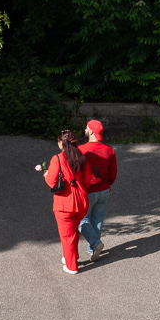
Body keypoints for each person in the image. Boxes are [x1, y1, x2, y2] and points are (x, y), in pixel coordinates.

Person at [38, 130, 91, 275]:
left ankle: (71, 266)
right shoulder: (82, 157)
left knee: (67, 236)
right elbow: (87, 180)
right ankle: (72, 256)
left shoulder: (57, 158)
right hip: (81, 200)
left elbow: (52, 182)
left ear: (62, 143)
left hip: (64, 202)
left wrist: (46, 174)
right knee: (74, 232)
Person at [77, 117, 117, 261]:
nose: (85, 130)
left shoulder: (81, 150)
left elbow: (77, 171)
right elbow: (113, 171)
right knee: (97, 220)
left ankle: (95, 243)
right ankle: (92, 248)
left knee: (81, 220)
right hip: (104, 190)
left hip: (88, 191)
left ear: (91, 132)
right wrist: (110, 183)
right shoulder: (109, 150)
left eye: (87, 128)